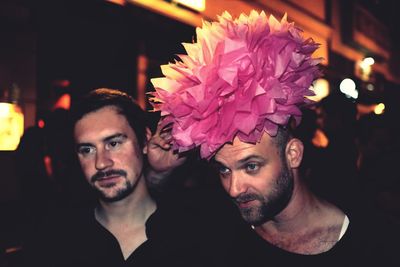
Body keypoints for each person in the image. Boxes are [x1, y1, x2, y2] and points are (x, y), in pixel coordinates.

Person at [149, 10, 399, 266]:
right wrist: (159, 174)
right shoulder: (216, 230)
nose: (234, 189)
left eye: (251, 166)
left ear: (293, 154)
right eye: (224, 170)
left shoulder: (374, 244)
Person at [22, 88, 220, 267]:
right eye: (87, 149)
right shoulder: (54, 241)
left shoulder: (199, 232)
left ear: (144, 140)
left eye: (114, 143)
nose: (101, 163)